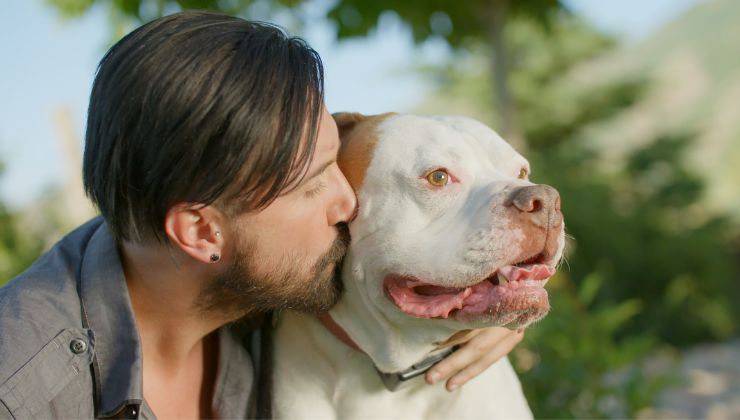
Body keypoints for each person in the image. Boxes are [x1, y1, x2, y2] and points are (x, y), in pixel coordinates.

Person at [0, 10, 524, 419]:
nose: (347, 204)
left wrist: (486, 295)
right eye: (312, 185)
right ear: (201, 231)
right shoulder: (23, 393)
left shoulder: (241, 274)